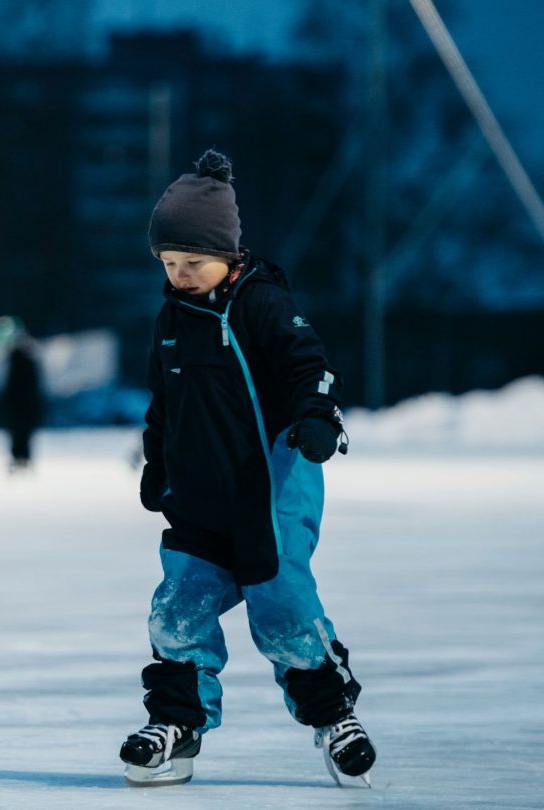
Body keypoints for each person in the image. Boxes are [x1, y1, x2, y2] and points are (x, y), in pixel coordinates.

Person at [120, 150, 373, 788]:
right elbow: (163, 405)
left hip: (270, 489)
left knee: (282, 605)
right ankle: (177, 723)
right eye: (168, 265)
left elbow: (304, 363)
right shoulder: (171, 321)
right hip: (200, 495)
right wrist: (159, 465)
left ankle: (333, 715)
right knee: (177, 611)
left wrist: (318, 415)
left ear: (229, 254)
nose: (179, 276)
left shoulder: (263, 303)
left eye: (192, 263)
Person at [0, 317, 44, 473]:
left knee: (19, 432)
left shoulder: (19, 358)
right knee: (21, 432)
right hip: (23, 402)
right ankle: (21, 458)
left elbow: (15, 383)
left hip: (20, 402)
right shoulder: (29, 357)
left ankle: (21, 458)